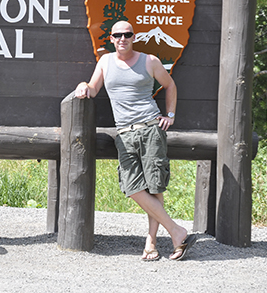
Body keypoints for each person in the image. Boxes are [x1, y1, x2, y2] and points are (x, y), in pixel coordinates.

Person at [75, 20, 196, 261]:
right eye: (118, 35)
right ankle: (176, 230)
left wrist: (170, 115)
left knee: (154, 186)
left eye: (127, 34)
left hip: (151, 129)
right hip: (124, 134)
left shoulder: (149, 61)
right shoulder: (105, 62)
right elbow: (93, 88)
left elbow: (170, 85)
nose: (123, 39)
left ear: (134, 37)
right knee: (132, 188)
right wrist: (82, 85)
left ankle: (152, 243)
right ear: (111, 38)